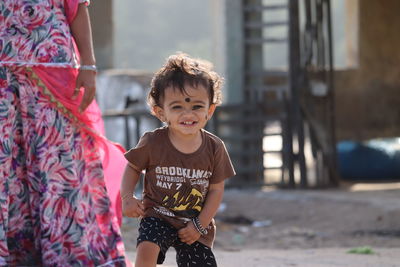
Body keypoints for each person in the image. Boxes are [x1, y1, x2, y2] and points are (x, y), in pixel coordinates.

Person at [0, 0, 127, 265]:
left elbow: (77, 7)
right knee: (6, 167)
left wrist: (89, 66)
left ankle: (69, 254)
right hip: (4, 78)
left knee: (59, 166)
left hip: (53, 76)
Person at [121, 53, 236, 267]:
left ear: (210, 110)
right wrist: (127, 197)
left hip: (194, 221)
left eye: (197, 106)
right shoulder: (152, 142)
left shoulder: (215, 147)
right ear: (160, 112)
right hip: (158, 215)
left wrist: (200, 225)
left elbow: (216, 190)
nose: (188, 114)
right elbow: (132, 168)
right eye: (177, 107)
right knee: (146, 252)